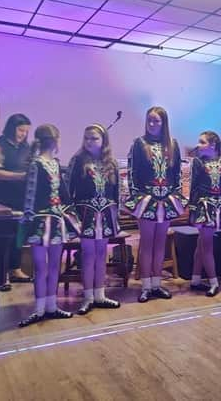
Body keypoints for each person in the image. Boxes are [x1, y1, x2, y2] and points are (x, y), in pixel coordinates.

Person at [125, 106, 186, 303]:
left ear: (164, 123)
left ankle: (157, 284)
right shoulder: (139, 144)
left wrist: (175, 195)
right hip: (147, 201)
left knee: (161, 243)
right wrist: (138, 199)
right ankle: (145, 286)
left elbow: (176, 174)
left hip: (166, 200)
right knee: (146, 243)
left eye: (156, 121)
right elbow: (132, 174)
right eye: (149, 120)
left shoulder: (173, 145)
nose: (152, 124)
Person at [19, 124, 74, 327]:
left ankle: (51, 306)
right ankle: (39, 308)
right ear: (56, 141)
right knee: (42, 267)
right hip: (40, 222)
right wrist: (28, 219)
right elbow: (30, 195)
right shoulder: (36, 164)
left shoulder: (57, 164)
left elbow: (62, 194)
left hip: (56, 220)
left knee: (52, 266)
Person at [67, 124, 121, 315]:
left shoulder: (111, 163)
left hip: (106, 213)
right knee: (88, 255)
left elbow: (116, 192)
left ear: (103, 141)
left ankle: (100, 294)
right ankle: (88, 297)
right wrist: (71, 218)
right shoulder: (78, 160)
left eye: (94, 138)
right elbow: (68, 190)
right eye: (87, 138)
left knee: (101, 254)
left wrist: (117, 216)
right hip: (85, 214)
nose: (89, 142)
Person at [0, 113, 33, 291]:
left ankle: (15, 269)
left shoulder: (27, 148)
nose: (23, 134)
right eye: (21, 130)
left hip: (21, 199)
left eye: (26, 131)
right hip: (0, 199)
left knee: (18, 236)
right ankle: (1, 274)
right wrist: (21, 177)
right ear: (11, 127)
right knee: (2, 238)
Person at [188, 131, 221, 297]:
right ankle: (214, 282)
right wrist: (193, 209)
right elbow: (194, 187)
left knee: (201, 244)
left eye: (202, 142)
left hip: (219, 206)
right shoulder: (198, 162)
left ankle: (195, 279)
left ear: (213, 145)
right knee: (207, 245)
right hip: (204, 207)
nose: (198, 145)